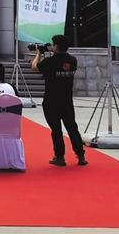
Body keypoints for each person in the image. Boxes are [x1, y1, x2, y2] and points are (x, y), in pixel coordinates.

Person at [32, 35, 87, 167]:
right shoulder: (73, 60)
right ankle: (81, 156)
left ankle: (60, 157)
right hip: (67, 101)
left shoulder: (50, 61)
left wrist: (39, 53)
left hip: (51, 101)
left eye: (53, 44)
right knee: (72, 128)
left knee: (56, 130)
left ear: (56, 46)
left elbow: (34, 67)